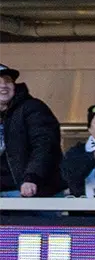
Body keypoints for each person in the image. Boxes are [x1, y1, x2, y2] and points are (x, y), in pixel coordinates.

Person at [0, 64, 63, 198]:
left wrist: (32, 178)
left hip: (32, 192)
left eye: (7, 81)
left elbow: (45, 145)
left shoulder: (33, 108)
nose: (3, 85)